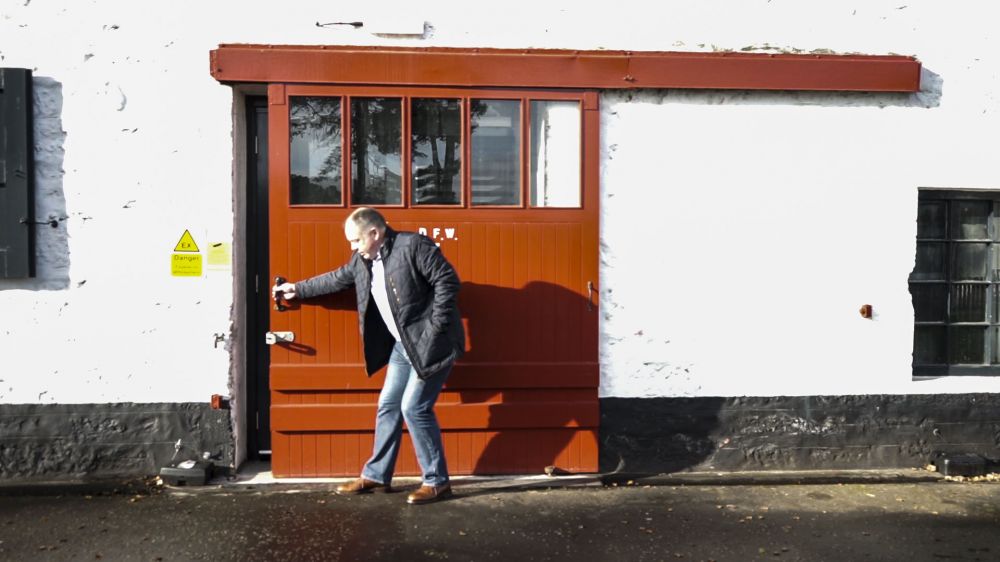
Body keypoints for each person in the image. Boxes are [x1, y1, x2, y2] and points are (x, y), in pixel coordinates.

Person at [272, 207, 465, 505]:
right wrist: (297, 289)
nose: (353, 247)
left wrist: (434, 328)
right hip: (403, 347)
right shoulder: (363, 260)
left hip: (431, 344)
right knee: (388, 405)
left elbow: (447, 281)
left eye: (356, 240)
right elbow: (336, 279)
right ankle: (377, 475)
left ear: (375, 233)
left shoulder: (413, 246)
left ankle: (437, 482)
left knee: (414, 408)